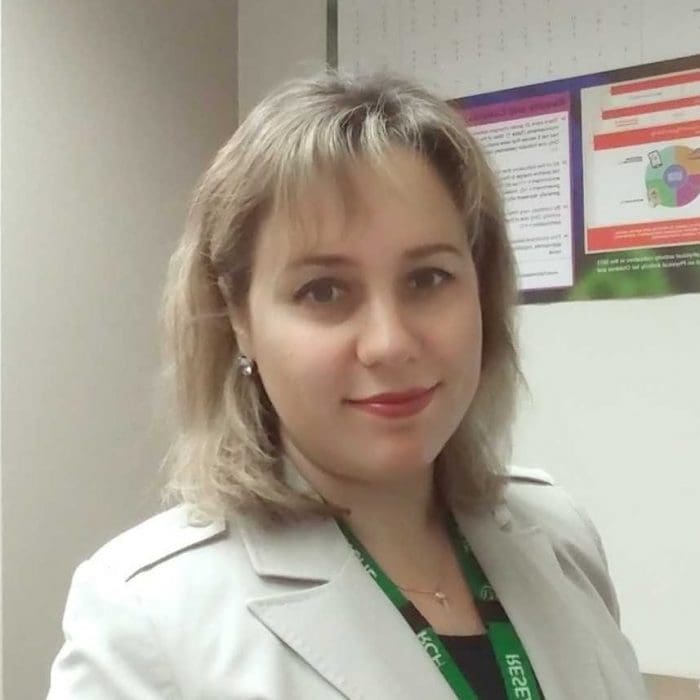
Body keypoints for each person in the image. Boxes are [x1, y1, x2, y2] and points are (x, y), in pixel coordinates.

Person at [47, 72, 648, 699]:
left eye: (428, 278)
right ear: (238, 319)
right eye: (324, 290)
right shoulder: (147, 618)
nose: (389, 342)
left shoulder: (560, 536)